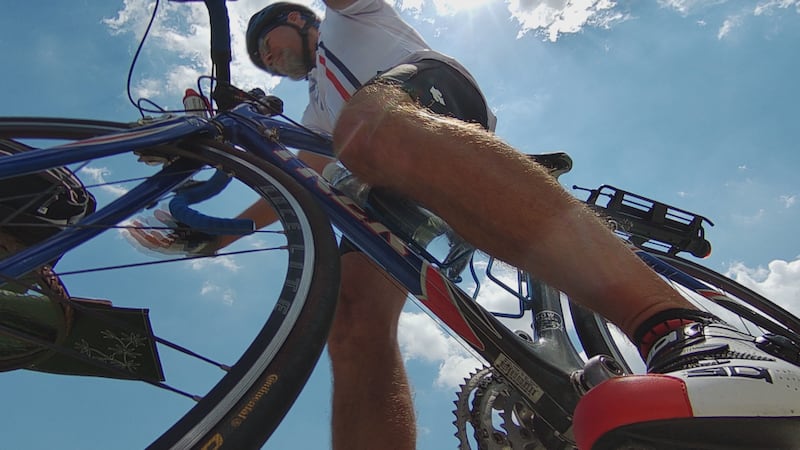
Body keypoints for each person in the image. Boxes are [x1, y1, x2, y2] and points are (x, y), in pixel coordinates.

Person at [134, 1, 800, 448]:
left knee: (369, 129)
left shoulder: (350, 19)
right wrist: (222, 231)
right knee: (351, 319)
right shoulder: (315, 110)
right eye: (260, 59)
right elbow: (300, 176)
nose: (268, 57)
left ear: (298, 21)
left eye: (270, 43)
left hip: (428, 102)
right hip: (377, 161)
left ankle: (683, 329)